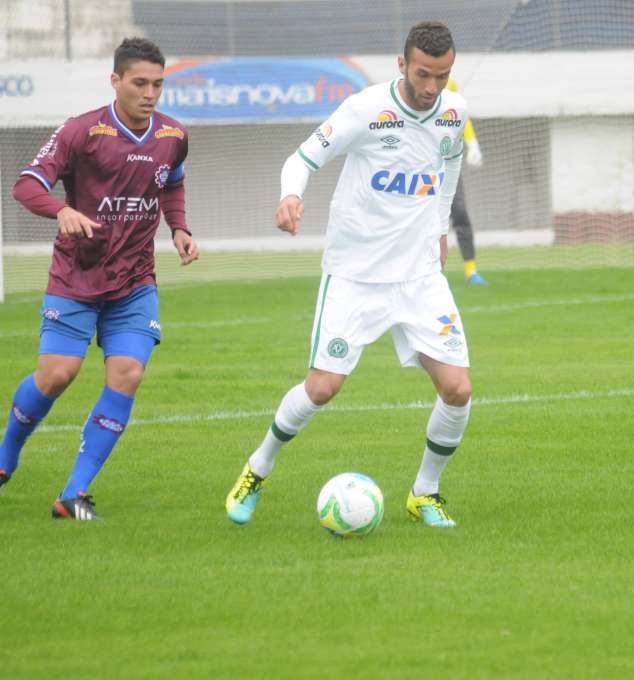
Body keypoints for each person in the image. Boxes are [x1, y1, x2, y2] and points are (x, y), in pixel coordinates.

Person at [225, 21, 471, 529]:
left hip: (420, 276)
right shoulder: (365, 110)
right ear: (401, 65)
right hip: (355, 275)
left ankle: (425, 493)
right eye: (423, 74)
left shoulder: (453, 112)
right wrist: (291, 195)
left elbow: (447, 174)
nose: (431, 88)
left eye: (442, 77)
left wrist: (441, 228)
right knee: (321, 388)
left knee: (458, 389)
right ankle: (257, 468)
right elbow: (302, 157)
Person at [0, 38, 198, 519]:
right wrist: (63, 209)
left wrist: (180, 228)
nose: (150, 93)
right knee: (57, 375)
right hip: (76, 277)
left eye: (158, 84)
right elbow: (27, 185)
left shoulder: (173, 135)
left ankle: (74, 493)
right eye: (140, 83)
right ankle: (6, 458)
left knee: (127, 373)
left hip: (134, 283)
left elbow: (171, 183)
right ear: (116, 81)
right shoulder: (81, 131)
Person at [445, 77, 487, 284]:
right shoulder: (411, 85)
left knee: (460, 213)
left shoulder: (450, 84)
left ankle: (471, 270)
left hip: (448, 166)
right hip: (420, 167)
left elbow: (462, 117)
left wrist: (473, 144)